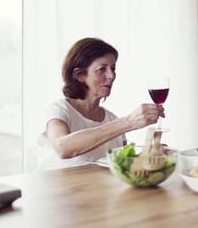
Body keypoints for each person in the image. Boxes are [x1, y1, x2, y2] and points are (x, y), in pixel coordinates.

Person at [39, 37, 164, 169]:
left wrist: (149, 154)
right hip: (59, 188)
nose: (111, 75)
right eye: (102, 69)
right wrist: (128, 122)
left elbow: (123, 165)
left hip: (96, 189)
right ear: (80, 75)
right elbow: (62, 147)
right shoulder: (60, 110)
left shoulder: (112, 119)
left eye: (113, 68)